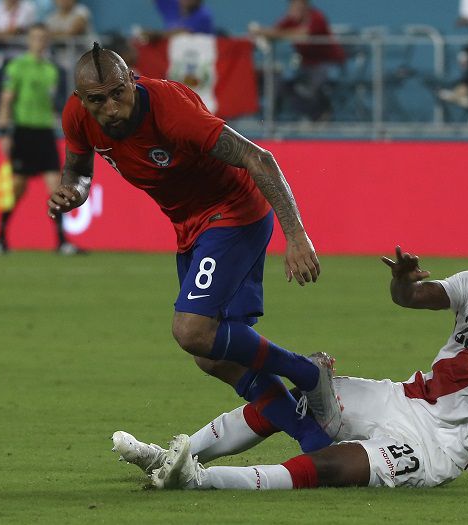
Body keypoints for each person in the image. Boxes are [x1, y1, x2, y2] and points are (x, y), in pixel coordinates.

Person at [113, 208, 468, 493]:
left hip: (442, 446)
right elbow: (411, 298)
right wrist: (404, 280)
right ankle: (175, 456)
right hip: (402, 399)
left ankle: (199, 480)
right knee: (297, 399)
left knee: (331, 466)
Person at [49, 43, 337, 454]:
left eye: (119, 92)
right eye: (98, 100)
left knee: (192, 330)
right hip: (190, 227)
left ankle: (307, 372)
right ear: (81, 99)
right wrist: (72, 193)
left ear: (132, 79)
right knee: (212, 355)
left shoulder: (171, 110)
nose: (111, 107)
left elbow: (260, 159)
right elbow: (77, 173)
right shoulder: (77, 117)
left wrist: (296, 236)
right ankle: (315, 440)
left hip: (233, 213)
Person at [0, 23, 80, 254]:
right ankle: (0, 237)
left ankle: (62, 241)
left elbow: (56, 105)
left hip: (44, 133)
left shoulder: (51, 70)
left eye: (43, 38)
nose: (39, 42)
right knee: (17, 188)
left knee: (55, 187)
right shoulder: (17, 67)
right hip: (23, 132)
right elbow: (6, 99)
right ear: (29, 41)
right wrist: (3, 133)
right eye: (35, 38)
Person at [249, 0, 345, 121]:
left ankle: (322, 115)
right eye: (293, 6)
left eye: (299, 6)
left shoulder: (317, 17)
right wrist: (260, 32)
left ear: (306, 6)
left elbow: (303, 34)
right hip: (306, 66)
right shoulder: (291, 20)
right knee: (285, 85)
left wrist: (270, 33)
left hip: (328, 64)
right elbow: (275, 31)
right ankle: (271, 121)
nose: (295, 10)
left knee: (312, 88)